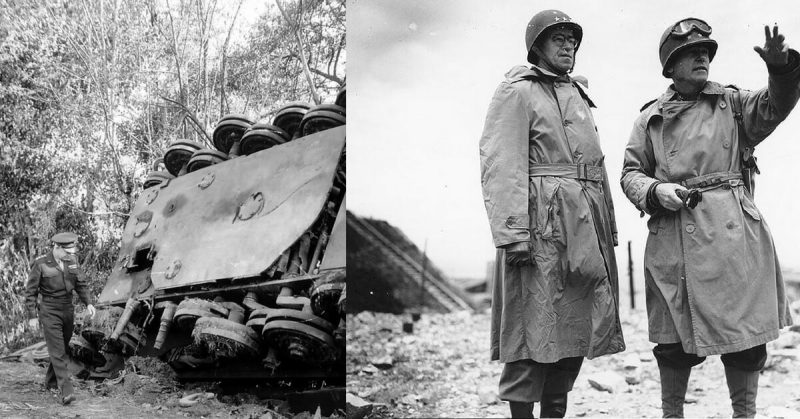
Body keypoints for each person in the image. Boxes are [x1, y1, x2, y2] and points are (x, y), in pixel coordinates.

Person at [621, 18, 798, 418]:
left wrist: (780, 68)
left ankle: (744, 414)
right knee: (672, 342)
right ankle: (672, 414)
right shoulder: (650, 118)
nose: (701, 56)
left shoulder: (734, 104)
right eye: (689, 53)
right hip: (674, 234)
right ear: (670, 66)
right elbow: (630, 173)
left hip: (734, 233)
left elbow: (777, 104)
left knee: (746, 337)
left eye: (705, 51)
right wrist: (655, 190)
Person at [479, 9, 625, 418]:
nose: (568, 45)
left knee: (575, 331)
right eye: (558, 38)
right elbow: (500, 163)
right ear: (537, 46)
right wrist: (513, 233)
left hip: (584, 228)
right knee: (531, 331)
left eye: (572, 39)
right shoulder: (517, 91)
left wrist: (605, 227)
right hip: (539, 228)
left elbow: (594, 167)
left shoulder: (578, 95)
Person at [25, 232, 96, 406]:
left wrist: (88, 303)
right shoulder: (41, 264)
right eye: (66, 251)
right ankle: (66, 390)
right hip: (49, 310)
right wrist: (32, 316)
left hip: (67, 310)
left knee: (61, 347)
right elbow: (30, 292)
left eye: (71, 252)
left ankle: (50, 382)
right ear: (56, 247)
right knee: (58, 351)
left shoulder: (71, 262)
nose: (69, 255)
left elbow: (81, 284)